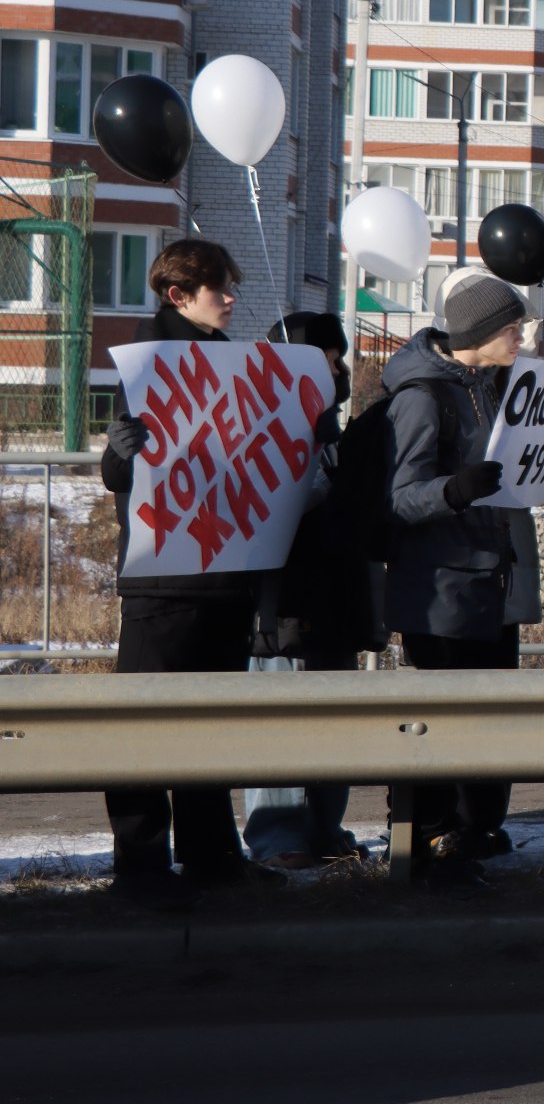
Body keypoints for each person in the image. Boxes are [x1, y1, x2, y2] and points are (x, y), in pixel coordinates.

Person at [97, 240, 278, 909]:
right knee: (141, 731)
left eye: (229, 286)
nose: (230, 298)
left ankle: (212, 858)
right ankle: (140, 868)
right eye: (218, 288)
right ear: (179, 294)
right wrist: (120, 453)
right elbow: (123, 473)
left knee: (210, 732)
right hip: (164, 583)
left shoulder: (231, 361)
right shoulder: (150, 363)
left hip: (224, 574)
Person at [381, 269, 531, 886]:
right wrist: (455, 490)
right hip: (439, 587)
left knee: (490, 718)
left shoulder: (493, 384)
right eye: (514, 325)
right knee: (440, 722)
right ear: (482, 331)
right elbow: (401, 498)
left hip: (488, 579)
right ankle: (427, 836)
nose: (522, 334)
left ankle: (476, 828)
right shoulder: (423, 395)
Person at [243, 312, 371, 870]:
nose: (340, 368)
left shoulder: (336, 428)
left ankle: (325, 826)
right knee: (280, 721)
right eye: (328, 356)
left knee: (335, 720)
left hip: (336, 593)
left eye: (340, 357)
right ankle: (277, 835)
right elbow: (270, 506)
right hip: (283, 601)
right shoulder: (260, 425)